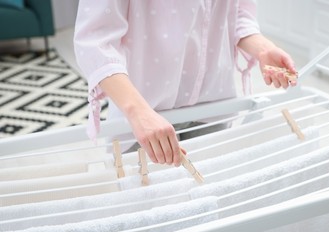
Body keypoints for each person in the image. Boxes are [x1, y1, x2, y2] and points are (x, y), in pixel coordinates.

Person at [73, 0, 297, 168]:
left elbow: (235, 13)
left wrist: (263, 48)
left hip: (214, 108)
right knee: (149, 210)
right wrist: (138, 111)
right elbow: (95, 42)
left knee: (206, 198)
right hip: (147, 119)